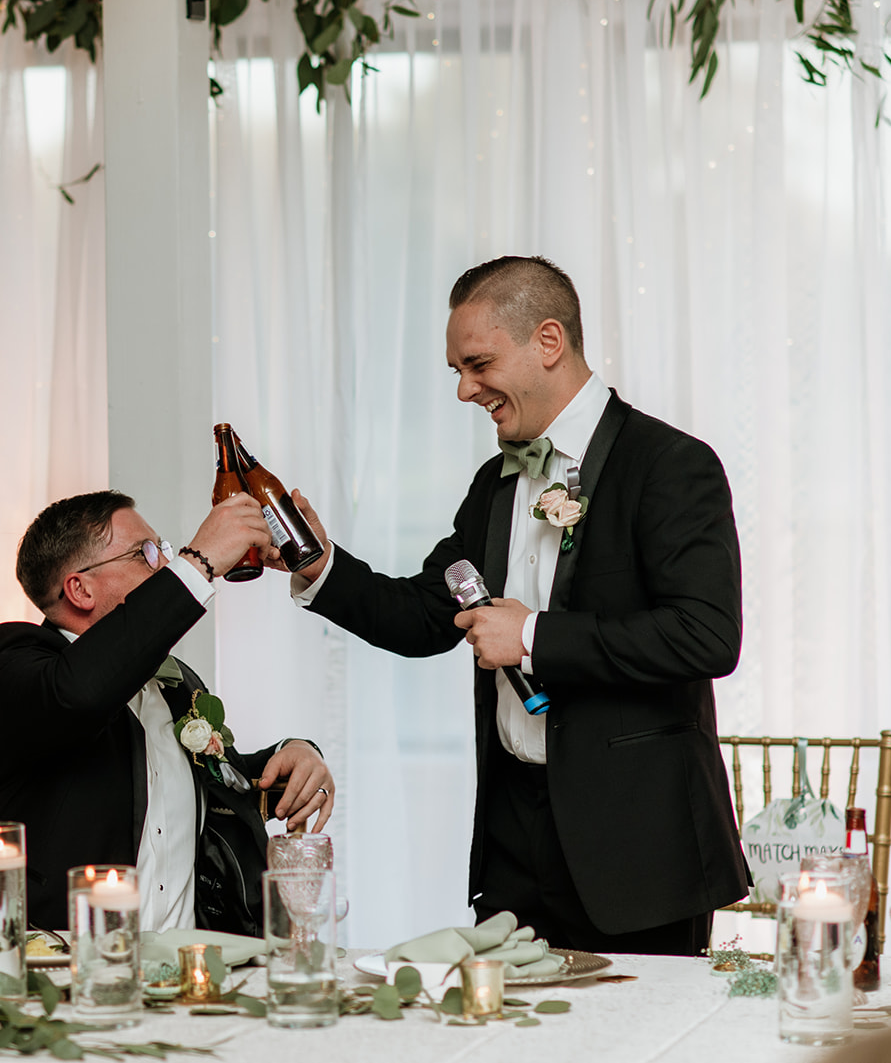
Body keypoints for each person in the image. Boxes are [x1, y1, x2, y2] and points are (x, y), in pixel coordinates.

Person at [285, 256, 748, 955]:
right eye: (457, 372)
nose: (467, 390)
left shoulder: (671, 465)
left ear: (549, 342)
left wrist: (533, 636)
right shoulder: (495, 483)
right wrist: (318, 565)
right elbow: (421, 613)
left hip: (637, 848)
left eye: (478, 363)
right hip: (512, 843)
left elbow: (706, 634)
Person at [0, 490, 336, 935]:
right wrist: (198, 562)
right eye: (146, 553)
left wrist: (291, 758)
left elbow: (213, 789)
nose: (164, 563)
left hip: (185, 978)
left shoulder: (175, 682)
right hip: (61, 969)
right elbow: (80, 694)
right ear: (79, 588)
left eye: (163, 549)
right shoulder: (12, 661)